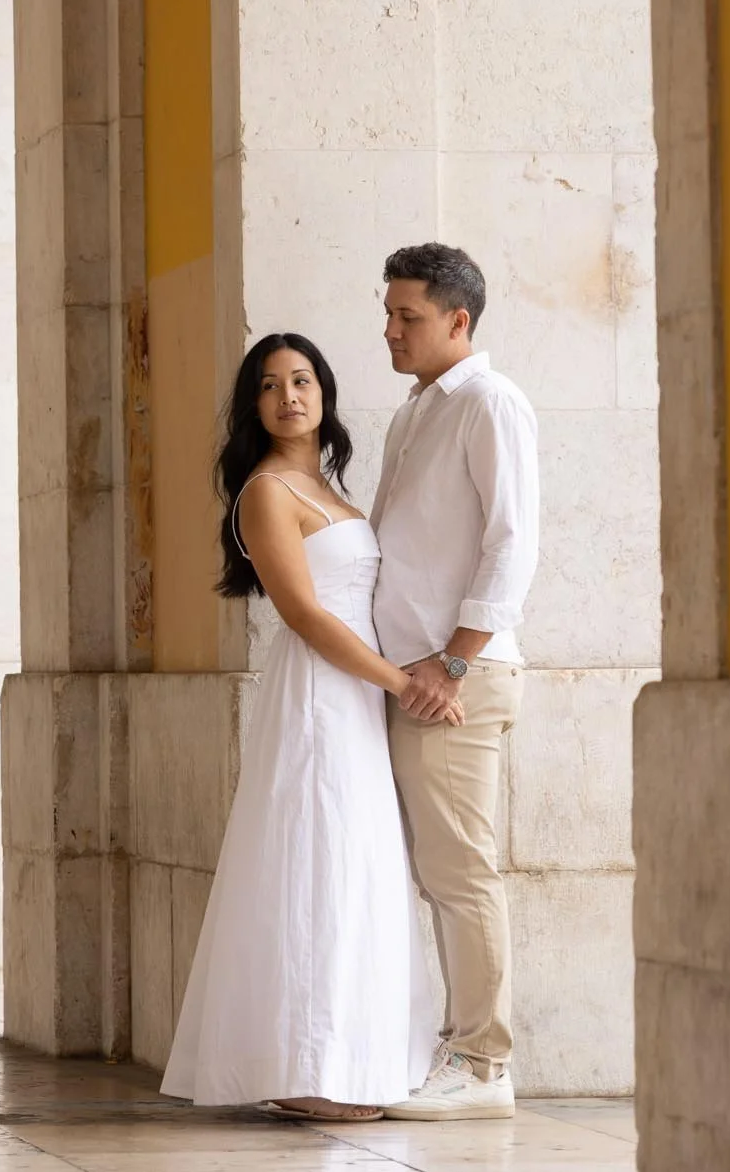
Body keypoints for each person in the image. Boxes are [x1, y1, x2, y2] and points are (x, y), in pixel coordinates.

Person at [160, 332, 448, 1122]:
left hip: (357, 696)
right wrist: (402, 682)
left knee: (357, 867)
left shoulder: (330, 487)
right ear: (254, 406)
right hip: (323, 696)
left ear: (323, 391)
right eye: (269, 385)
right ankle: (303, 1066)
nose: (289, 395)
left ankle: (357, 1056)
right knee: (315, 863)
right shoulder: (266, 491)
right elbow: (303, 612)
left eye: (302, 379)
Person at [371, 244, 540, 1122]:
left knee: (460, 871)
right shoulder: (413, 413)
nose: (390, 329)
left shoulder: (489, 402)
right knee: (432, 872)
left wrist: (454, 659)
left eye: (409, 316)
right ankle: (448, 1044)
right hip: (408, 681)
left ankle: (482, 1065)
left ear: (459, 321)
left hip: (456, 681)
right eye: (389, 311)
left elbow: (514, 541)